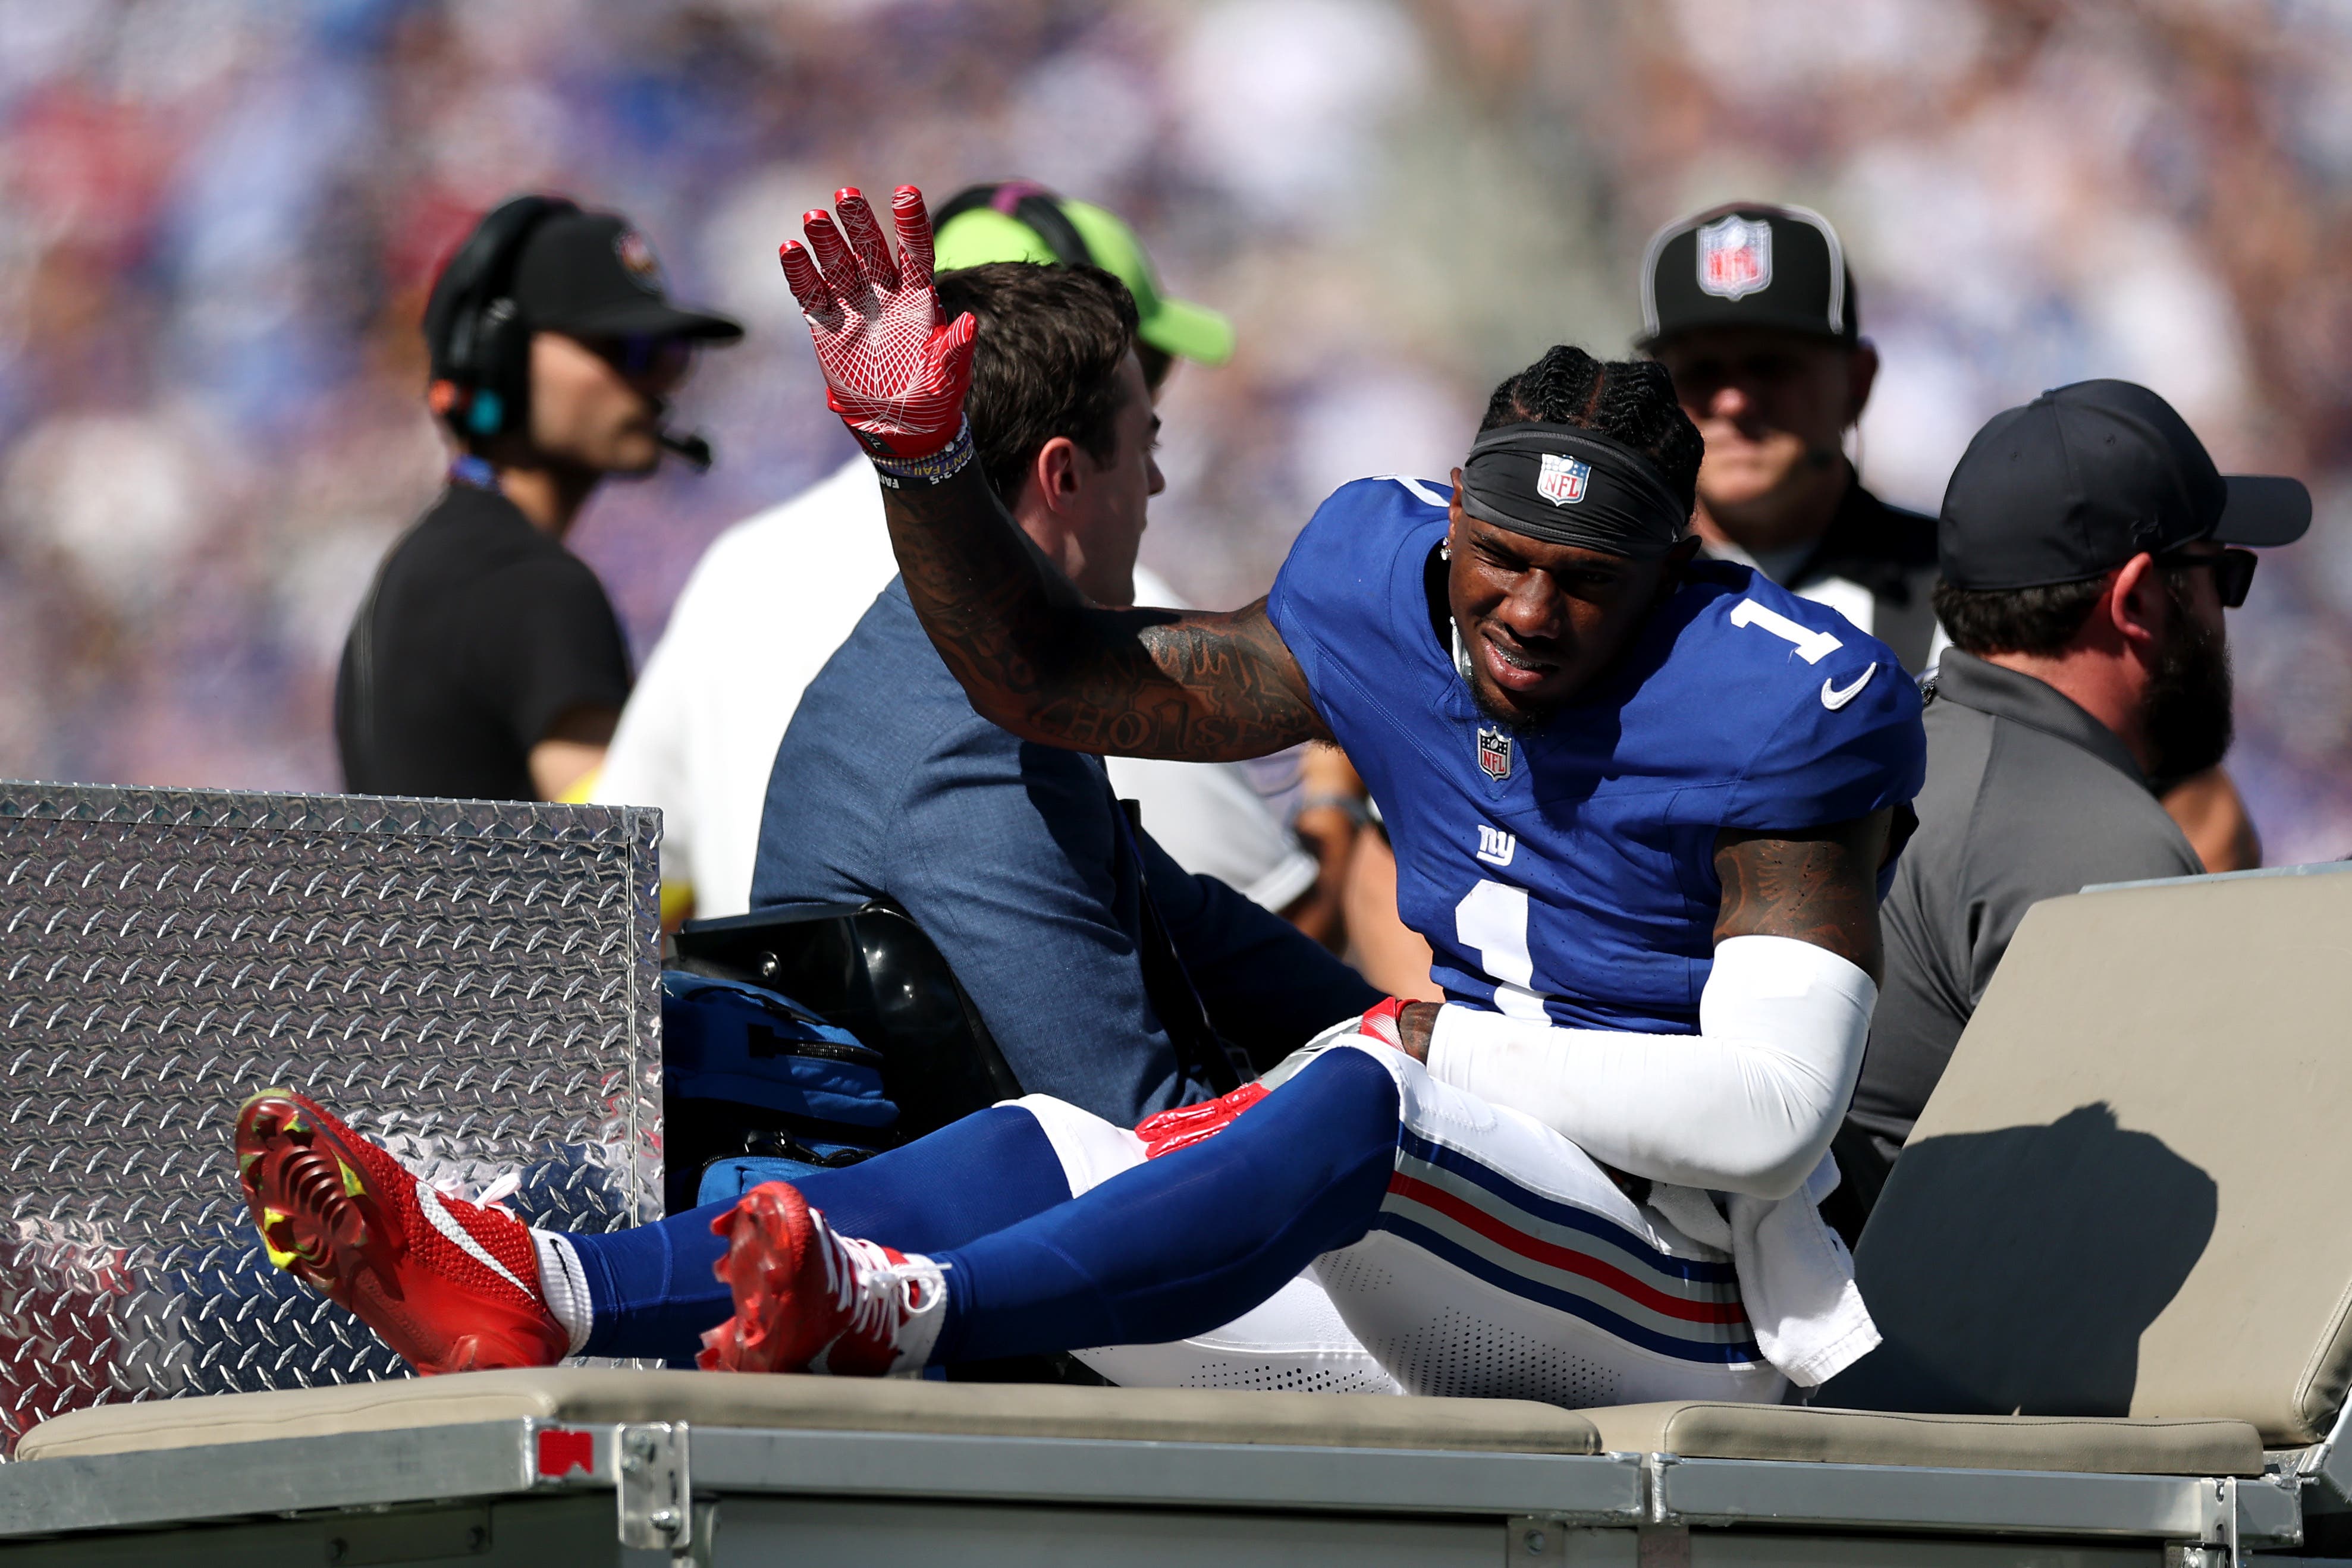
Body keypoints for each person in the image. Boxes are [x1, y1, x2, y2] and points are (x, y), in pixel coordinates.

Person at [235, 187, 1926, 1410]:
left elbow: (1771, 1113)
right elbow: (1047, 672)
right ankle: (534, 1281)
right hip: (1437, 1243)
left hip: (1669, 1287)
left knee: (1365, 1092)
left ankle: (901, 1309)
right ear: (1452, 523)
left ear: (1670, 572)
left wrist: (1437, 1044)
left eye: (1589, 579)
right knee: (1043, 1144)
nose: (1532, 611)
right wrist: (924, 466)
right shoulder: (1380, 583)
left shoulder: (1775, 699)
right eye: (1505, 558)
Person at [594, 183, 1324, 927]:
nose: (1157, 416)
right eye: (1147, 361)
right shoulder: (1114, 605)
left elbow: (611, 882)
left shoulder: (740, 567)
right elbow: (1275, 925)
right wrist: (1342, 805)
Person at [750, 259, 1377, 1125]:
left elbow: (1211, 940)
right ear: (1065, 476)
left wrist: (1436, 1052)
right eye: (1145, 445)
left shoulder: (956, 669)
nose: (1155, 484)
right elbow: (1141, 1131)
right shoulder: (969, 743)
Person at [1838, 381, 2309, 1221]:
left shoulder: (1898, 742)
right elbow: (2165, 1222)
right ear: (2136, 600)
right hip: (1922, 1303)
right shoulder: (2090, 841)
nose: (2224, 613)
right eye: (2222, 575)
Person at [335, 197, 740, 803]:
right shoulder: (534, 583)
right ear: (498, 360)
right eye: (621, 348)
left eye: (667, 355)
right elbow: (621, 847)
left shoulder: (423, 568)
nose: (655, 382)